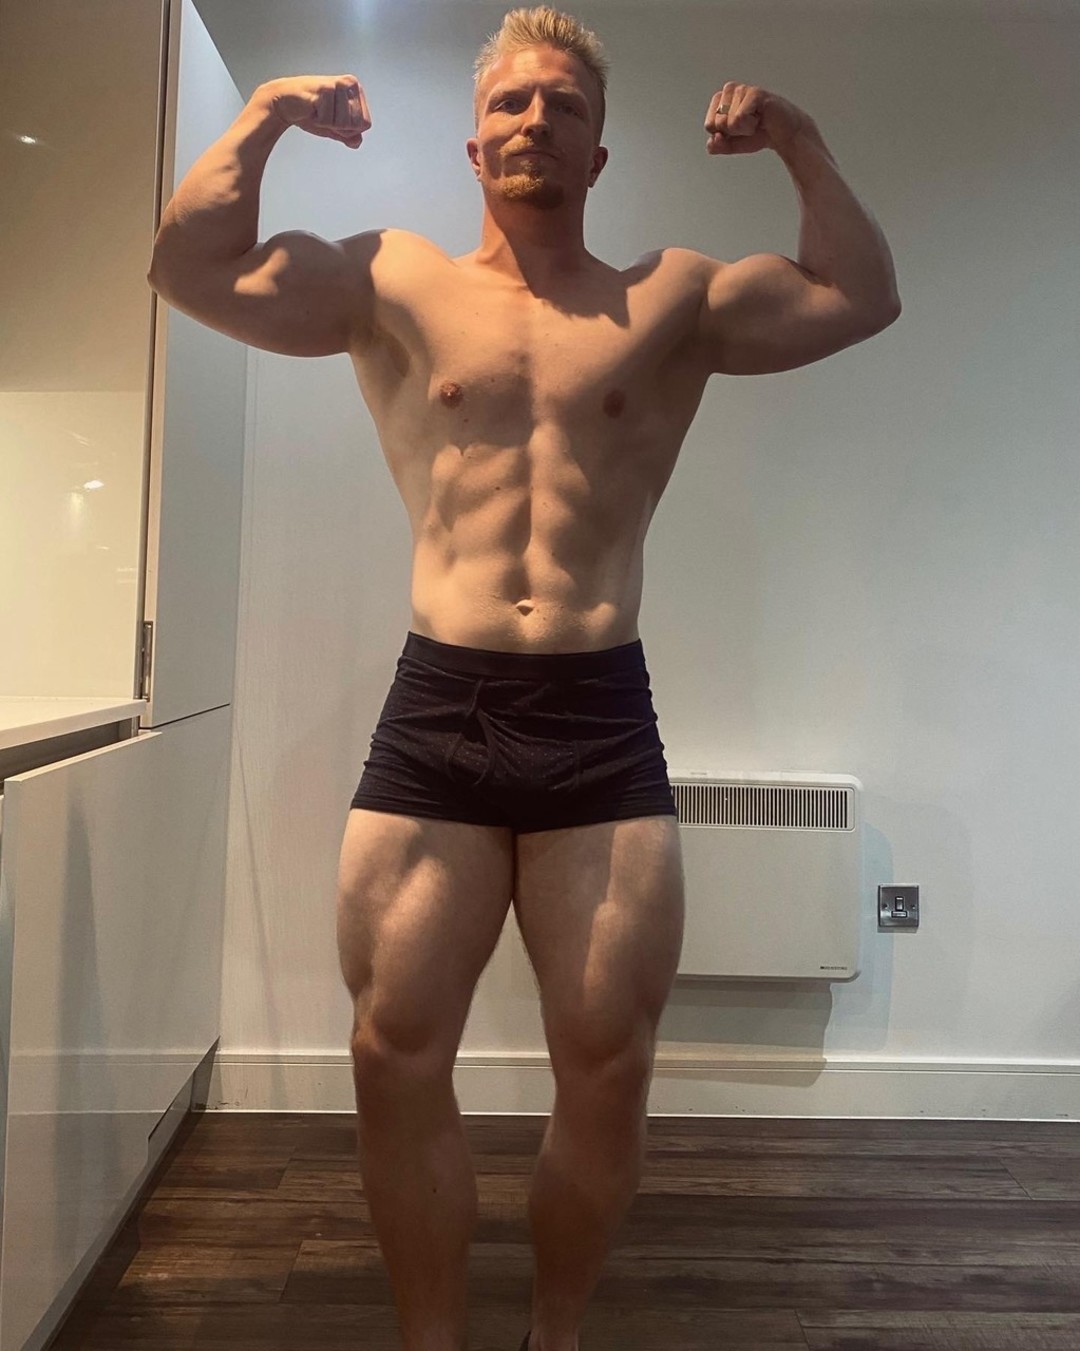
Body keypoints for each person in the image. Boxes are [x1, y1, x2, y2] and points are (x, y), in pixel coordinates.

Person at [147, 6, 899, 1349]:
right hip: (442, 704)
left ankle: (555, 1333)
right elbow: (191, 267)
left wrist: (799, 139)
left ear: (600, 153)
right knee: (392, 1051)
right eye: (511, 102)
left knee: (608, 1067)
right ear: (474, 142)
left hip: (597, 714)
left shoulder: (669, 298)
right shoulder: (394, 281)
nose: (535, 120)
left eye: (564, 106)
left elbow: (859, 294)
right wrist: (264, 116)